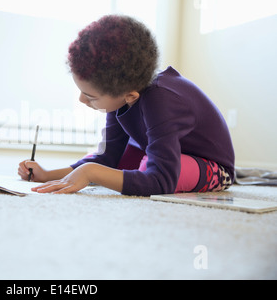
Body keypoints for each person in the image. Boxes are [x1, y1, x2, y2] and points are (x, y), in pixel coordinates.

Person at [18, 15, 235, 196]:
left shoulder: (162, 100)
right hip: (163, 153)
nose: (82, 101)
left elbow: (161, 181)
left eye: (90, 96)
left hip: (214, 168)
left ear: (130, 95)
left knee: (142, 168)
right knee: (123, 161)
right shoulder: (123, 95)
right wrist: (47, 174)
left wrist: (91, 172)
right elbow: (108, 157)